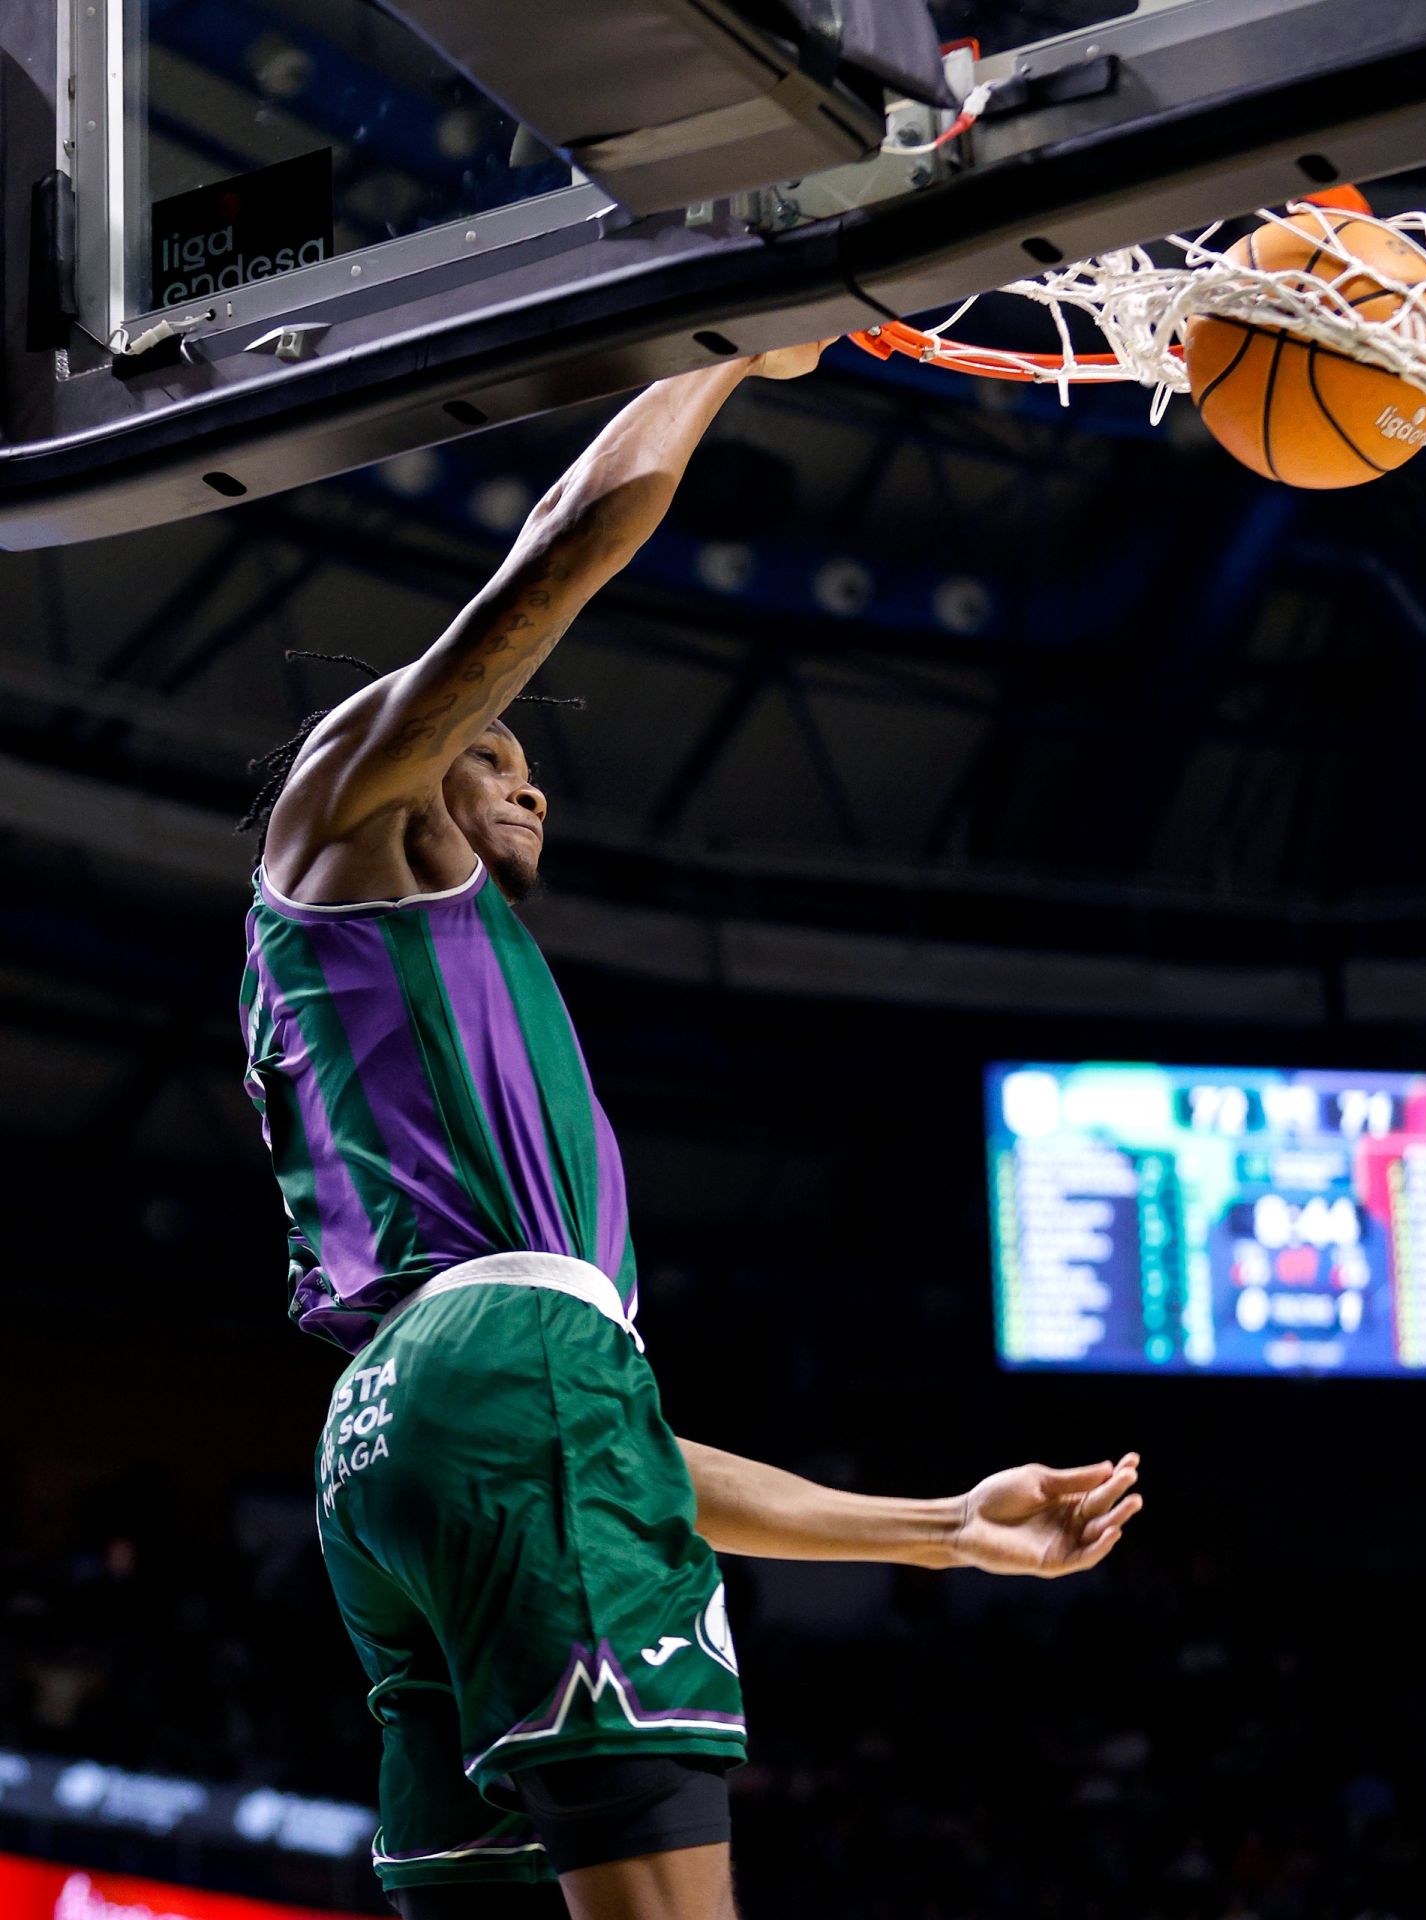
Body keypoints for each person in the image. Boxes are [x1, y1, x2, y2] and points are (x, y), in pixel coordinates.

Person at [237, 345, 1144, 1920]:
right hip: (485, 1380)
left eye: (529, 764)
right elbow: (567, 547)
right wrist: (735, 347)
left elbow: (619, 1460)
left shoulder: (407, 981)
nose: (527, 777)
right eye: (497, 747)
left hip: (381, 1443)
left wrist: (945, 1532)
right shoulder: (340, 809)